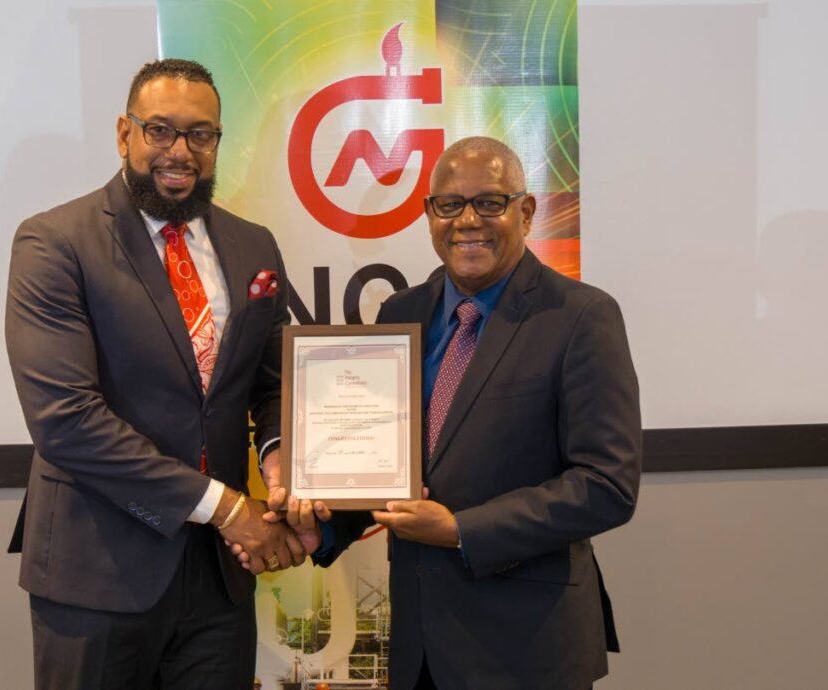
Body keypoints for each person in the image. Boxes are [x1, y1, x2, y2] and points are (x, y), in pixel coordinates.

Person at [271, 137, 642, 689]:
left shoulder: (581, 317)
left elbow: (607, 484)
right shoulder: (403, 312)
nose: (468, 220)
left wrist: (462, 530)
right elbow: (388, 469)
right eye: (449, 205)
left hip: (527, 651)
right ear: (428, 216)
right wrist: (319, 530)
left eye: (490, 202)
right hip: (420, 648)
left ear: (526, 211)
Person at [5, 58, 305, 690]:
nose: (180, 151)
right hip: (100, 571)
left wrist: (279, 458)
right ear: (125, 134)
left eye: (201, 134)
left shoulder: (255, 245)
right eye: (160, 130)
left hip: (219, 580)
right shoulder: (54, 242)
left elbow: (274, 382)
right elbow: (66, 422)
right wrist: (226, 507)